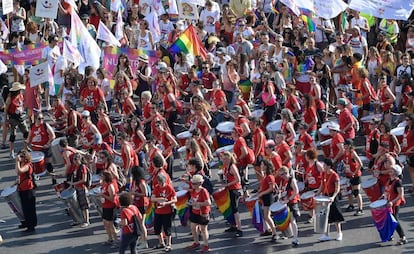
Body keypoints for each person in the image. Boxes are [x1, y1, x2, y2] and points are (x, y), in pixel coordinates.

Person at [317, 158, 344, 242]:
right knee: (325, 216)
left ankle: (339, 233)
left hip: (332, 196)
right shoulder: (323, 173)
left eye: (324, 165)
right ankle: (326, 234)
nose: (323, 166)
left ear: (329, 166)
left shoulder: (334, 175)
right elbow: (322, 185)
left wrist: (333, 197)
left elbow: (337, 188)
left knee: (336, 215)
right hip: (325, 196)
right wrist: (318, 193)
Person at [27, 113, 56, 184]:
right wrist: (27, 142)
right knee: (35, 166)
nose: (41, 120)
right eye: (39, 119)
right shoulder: (32, 126)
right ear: (35, 119)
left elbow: (53, 136)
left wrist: (47, 144)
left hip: (45, 148)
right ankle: (34, 180)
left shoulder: (45, 125)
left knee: (48, 165)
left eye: (42, 118)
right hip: (36, 149)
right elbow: (29, 137)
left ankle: (53, 179)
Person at [151, 173, 176, 252]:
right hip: (158, 211)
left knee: (167, 228)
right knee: (157, 228)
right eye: (158, 182)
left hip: (167, 211)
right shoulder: (156, 187)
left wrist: (167, 203)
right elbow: (152, 198)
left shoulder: (169, 188)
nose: (160, 184)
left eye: (161, 183)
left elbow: (175, 199)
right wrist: (159, 199)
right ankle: (161, 242)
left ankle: (168, 244)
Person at [383, 164, 408, 245]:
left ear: (396, 172)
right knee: (389, 219)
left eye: (392, 170)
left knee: (395, 220)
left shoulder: (398, 182)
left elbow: (400, 195)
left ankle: (403, 237)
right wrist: (383, 196)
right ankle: (390, 235)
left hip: (394, 204)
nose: (390, 170)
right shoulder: (389, 180)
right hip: (389, 203)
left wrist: (392, 202)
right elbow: (387, 190)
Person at [187, 174, 212, 253]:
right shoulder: (193, 190)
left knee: (203, 229)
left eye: (194, 183)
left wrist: (198, 203)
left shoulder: (203, 191)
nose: (192, 185)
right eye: (192, 183)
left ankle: (206, 245)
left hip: (203, 213)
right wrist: (190, 203)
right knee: (193, 227)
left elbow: (208, 202)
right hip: (195, 211)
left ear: (199, 183)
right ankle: (196, 242)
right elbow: (192, 198)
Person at [221, 151, 243, 237]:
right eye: (223, 159)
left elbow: (238, 179)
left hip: (235, 189)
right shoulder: (226, 167)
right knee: (230, 208)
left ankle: (239, 229)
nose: (224, 160)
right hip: (230, 189)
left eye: (226, 159)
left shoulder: (232, 167)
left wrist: (227, 184)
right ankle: (234, 225)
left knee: (235, 209)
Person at [4, 82, 29, 159]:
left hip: (21, 117)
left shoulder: (21, 96)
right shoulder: (10, 98)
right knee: (13, 135)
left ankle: (26, 149)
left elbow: (22, 105)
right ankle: (11, 152)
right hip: (13, 118)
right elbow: (6, 109)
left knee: (26, 133)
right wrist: (6, 120)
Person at [15, 150, 37, 233]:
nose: (20, 158)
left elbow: (19, 171)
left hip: (28, 189)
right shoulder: (21, 164)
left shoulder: (28, 165)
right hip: (22, 188)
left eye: (22, 157)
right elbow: (17, 172)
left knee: (29, 208)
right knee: (24, 207)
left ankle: (31, 225)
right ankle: (27, 223)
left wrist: (17, 161)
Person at [278, 166, 300, 246]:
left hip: (292, 202)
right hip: (285, 202)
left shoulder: (291, 180)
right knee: (286, 220)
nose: (281, 176)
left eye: (282, 174)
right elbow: (281, 191)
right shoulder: (283, 181)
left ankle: (296, 238)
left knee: (292, 220)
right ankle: (288, 234)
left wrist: (289, 199)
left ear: (287, 173)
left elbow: (296, 191)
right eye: (280, 175)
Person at [256, 159, 277, 241]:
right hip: (265, 197)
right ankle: (268, 230)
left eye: (262, 165)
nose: (261, 166)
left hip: (268, 197)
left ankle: (274, 233)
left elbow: (272, 188)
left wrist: (262, 193)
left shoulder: (269, 177)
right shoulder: (265, 176)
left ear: (266, 166)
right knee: (265, 215)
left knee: (267, 216)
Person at [67, 153, 90, 228]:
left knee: (84, 205)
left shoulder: (82, 167)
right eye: (73, 159)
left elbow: (84, 179)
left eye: (76, 159)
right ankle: (79, 220)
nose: (74, 161)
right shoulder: (75, 167)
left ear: (80, 159)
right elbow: (73, 177)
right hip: (76, 188)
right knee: (77, 205)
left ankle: (87, 221)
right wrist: (71, 185)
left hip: (82, 188)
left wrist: (73, 183)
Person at [342, 139, 364, 216]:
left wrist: (354, 172)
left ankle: (360, 209)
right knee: (349, 191)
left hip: (355, 175)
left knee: (356, 192)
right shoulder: (344, 153)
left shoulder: (352, 153)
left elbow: (360, 164)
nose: (344, 146)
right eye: (344, 145)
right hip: (348, 174)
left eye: (346, 145)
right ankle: (351, 205)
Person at [130, 166, 149, 249]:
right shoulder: (136, 181)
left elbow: (146, 194)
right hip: (137, 204)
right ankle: (142, 239)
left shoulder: (141, 182)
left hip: (142, 205)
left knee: (141, 224)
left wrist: (135, 194)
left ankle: (145, 242)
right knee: (138, 223)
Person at [100, 171, 119, 248]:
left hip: (110, 207)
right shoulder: (105, 185)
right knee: (105, 223)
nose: (101, 177)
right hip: (105, 206)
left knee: (111, 225)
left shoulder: (110, 186)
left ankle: (116, 241)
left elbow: (112, 198)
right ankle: (110, 239)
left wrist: (103, 195)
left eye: (102, 176)